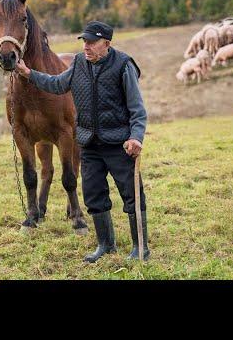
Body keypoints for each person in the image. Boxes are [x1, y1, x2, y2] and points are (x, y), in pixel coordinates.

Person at [15, 20, 150, 262]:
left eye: (92, 42)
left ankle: (140, 248)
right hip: (88, 143)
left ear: (106, 43)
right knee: (94, 196)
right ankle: (105, 245)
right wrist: (29, 74)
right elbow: (57, 84)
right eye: (84, 41)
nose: (86, 46)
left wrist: (136, 137)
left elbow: (137, 109)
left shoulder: (123, 65)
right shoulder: (78, 63)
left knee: (131, 194)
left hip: (119, 143)